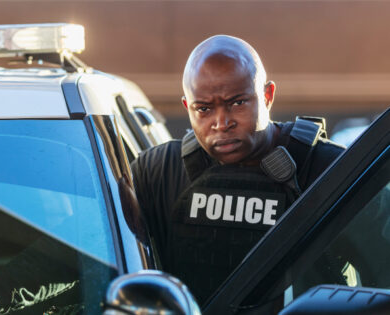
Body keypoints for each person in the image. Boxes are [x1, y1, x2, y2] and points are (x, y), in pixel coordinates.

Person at [130, 35, 345, 304]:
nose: (222, 122)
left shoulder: (329, 168)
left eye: (237, 102)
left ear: (267, 96)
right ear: (187, 108)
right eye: (204, 109)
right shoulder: (157, 172)